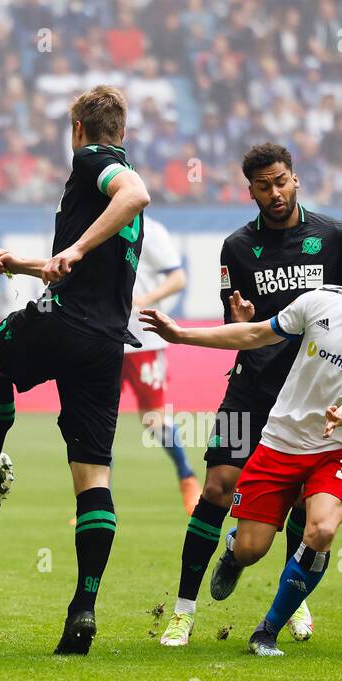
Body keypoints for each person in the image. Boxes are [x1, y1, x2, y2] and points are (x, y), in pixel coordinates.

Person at [142, 222, 342, 656]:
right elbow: (255, 333)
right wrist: (182, 335)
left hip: (340, 447)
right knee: (253, 547)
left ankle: (267, 630)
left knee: (323, 528)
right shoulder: (319, 301)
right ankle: (234, 553)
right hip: (280, 441)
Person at [0, 86, 151, 656]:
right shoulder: (115, 172)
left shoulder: (96, 164)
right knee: (92, 476)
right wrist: (31, 264)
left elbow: (136, 195)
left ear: (79, 131)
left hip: (65, 322)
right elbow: (81, 262)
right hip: (107, 343)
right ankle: (84, 606)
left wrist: (75, 249)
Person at [156, 143, 342, 648]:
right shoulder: (236, 247)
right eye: (264, 186)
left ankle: (294, 600)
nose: (275, 193)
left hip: (311, 394)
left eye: (282, 181)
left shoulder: (334, 238)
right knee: (217, 489)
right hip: (252, 387)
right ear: (250, 190)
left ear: (296, 180)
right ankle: (183, 611)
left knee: (300, 501)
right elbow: (236, 325)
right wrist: (241, 323)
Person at [121, 215, 198, 512]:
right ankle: (95, 504)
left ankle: (187, 477)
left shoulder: (151, 231)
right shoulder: (93, 225)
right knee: (98, 421)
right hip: (102, 336)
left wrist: (145, 299)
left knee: (153, 418)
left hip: (144, 338)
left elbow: (178, 278)